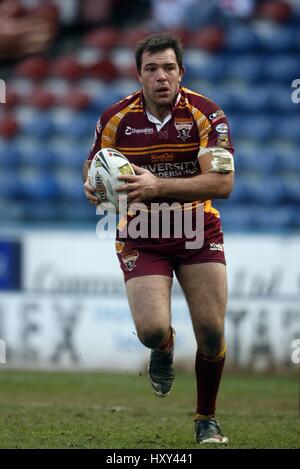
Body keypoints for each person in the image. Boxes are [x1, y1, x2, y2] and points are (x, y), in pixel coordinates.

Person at [83, 32, 234, 445]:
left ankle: (206, 418)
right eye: (152, 69)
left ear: (181, 72)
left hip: (195, 230)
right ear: (139, 75)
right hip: (142, 234)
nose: (161, 77)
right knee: (150, 329)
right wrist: (93, 185)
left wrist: (157, 187)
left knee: (210, 330)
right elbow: (94, 165)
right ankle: (163, 348)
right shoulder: (116, 118)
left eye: (169, 68)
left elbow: (222, 185)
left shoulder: (206, 114)